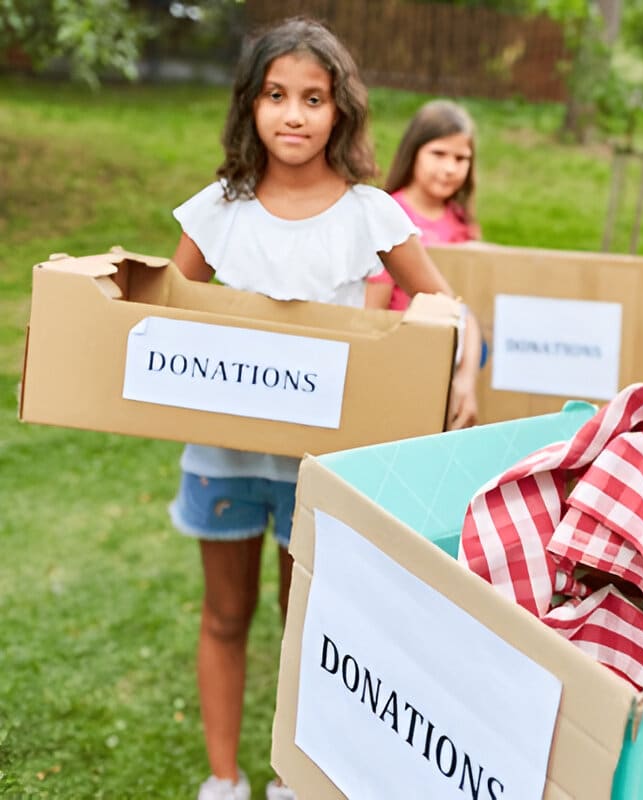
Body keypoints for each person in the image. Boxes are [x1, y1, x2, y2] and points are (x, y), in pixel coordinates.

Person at [167, 17, 481, 800]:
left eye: (313, 97)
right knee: (225, 613)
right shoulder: (216, 210)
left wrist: (462, 373)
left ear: (340, 109)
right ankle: (222, 777)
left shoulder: (367, 214)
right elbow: (166, 311)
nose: (294, 115)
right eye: (276, 95)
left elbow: (448, 305)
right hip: (222, 457)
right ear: (251, 105)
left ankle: (290, 774)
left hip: (319, 466)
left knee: (303, 620)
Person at [366, 99, 480, 312]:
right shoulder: (388, 215)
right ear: (413, 153)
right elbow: (373, 311)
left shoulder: (460, 221)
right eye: (438, 154)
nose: (449, 168)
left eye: (460, 158)